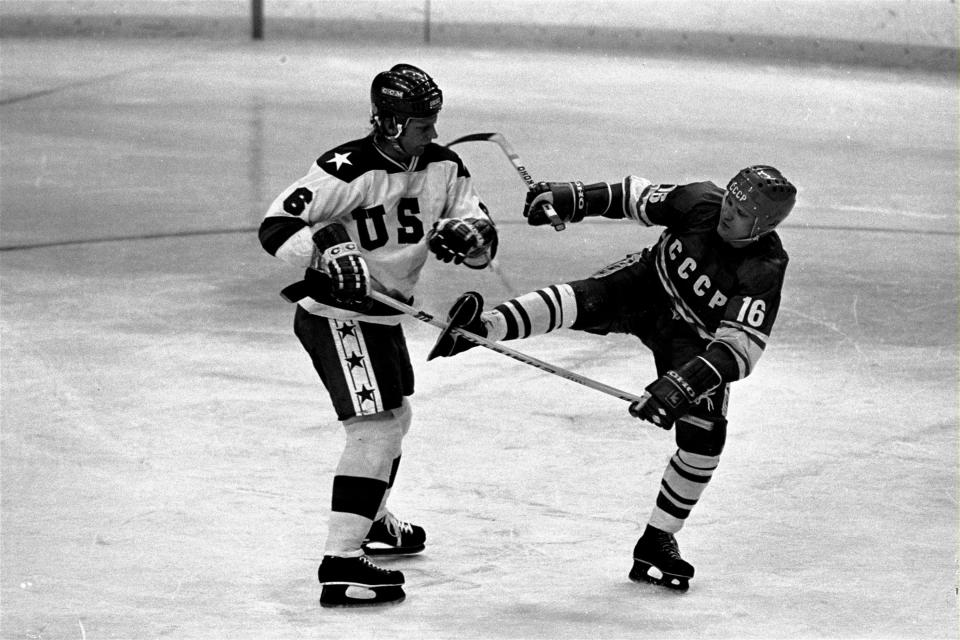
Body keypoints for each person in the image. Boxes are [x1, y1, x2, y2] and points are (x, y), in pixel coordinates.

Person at [431, 165, 796, 591]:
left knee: (704, 442)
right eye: (729, 202)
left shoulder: (765, 267)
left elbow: (739, 350)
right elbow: (633, 196)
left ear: (763, 224)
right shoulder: (700, 201)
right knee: (583, 298)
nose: (726, 214)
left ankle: (658, 540)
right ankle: (484, 329)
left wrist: (683, 385)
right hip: (648, 286)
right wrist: (571, 197)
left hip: (694, 340)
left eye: (740, 212)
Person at [258, 63, 497, 607]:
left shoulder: (445, 167)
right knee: (375, 431)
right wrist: (325, 248)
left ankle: (372, 520)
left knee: (397, 419)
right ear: (389, 123)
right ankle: (341, 562)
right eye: (421, 122)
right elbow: (276, 229)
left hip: (387, 315)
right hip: (337, 314)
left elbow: (480, 239)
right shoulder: (346, 169)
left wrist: (475, 240)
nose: (432, 132)